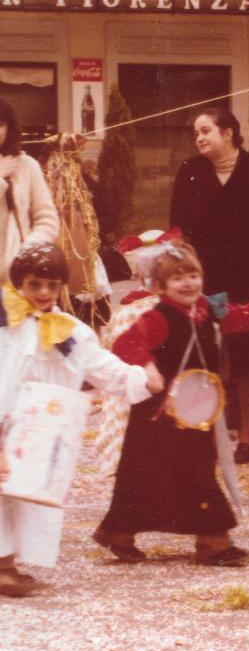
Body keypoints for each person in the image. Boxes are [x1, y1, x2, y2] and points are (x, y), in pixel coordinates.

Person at [94, 240, 249, 567]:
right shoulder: (158, 319)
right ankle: (211, 542)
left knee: (183, 472)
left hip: (195, 413)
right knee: (154, 475)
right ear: (160, 287)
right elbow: (124, 343)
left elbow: (244, 315)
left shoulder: (207, 310)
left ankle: (119, 531)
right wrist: (147, 367)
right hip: (159, 415)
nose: (188, 283)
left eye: (193, 275)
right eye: (177, 278)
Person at [0, 242, 160, 597]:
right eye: (34, 284)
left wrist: (136, 378)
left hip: (44, 426)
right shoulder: (5, 326)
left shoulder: (68, 332)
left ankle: (10, 562)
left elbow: (98, 365)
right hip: (6, 420)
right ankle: (3, 566)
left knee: (27, 493)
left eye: (52, 285)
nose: (44, 293)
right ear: (19, 283)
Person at [170, 108, 249, 464]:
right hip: (203, 281)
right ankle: (205, 429)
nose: (199, 138)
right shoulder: (190, 172)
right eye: (196, 133)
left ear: (228, 133)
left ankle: (247, 436)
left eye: (206, 130)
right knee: (204, 353)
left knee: (248, 360)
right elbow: (178, 228)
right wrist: (179, 274)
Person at [0, 98, 59, 285]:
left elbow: (47, 219)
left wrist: (28, 250)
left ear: (9, 128)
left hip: (18, 279)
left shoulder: (27, 165)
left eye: (0, 125)